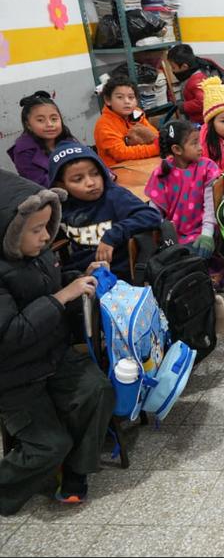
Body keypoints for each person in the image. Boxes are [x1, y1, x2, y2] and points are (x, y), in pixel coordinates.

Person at [0, 171, 114, 515]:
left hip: (52, 355)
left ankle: (76, 471)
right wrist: (62, 297)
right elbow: (10, 335)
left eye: (48, 226)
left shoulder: (39, 253)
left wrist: (80, 278)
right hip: (14, 378)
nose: (46, 236)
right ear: (8, 231)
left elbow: (52, 283)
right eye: (36, 230)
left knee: (97, 390)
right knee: (49, 446)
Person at [48, 141, 162, 281]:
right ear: (61, 185)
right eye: (78, 179)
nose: (91, 182)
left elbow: (152, 216)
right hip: (82, 272)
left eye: (95, 174)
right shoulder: (61, 207)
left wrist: (113, 234)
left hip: (118, 274)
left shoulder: (114, 196)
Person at [145, 120, 221, 258]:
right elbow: (153, 212)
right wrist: (164, 231)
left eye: (199, 142)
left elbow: (211, 207)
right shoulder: (161, 173)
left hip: (202, 233)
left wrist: (207, 234)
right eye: (194, 143)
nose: (200, 147)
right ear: (177, 150)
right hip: (173, 238)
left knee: (194, 258)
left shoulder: (207, 168)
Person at [8, 91, 77, 186]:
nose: (49, 124)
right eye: (40, 120)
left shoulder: (67, 140)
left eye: (54, 119)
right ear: (28, 125)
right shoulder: (23, 152)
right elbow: (40, 184)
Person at [93, 75, 159, 168]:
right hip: (117, 170)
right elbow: (121, 153)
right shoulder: (104, 125)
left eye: (131, 97)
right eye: (120, 97)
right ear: (108, 100)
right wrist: (157, 148)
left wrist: (159, 143)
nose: (127, 101)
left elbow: (156, 136)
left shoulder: (137, 115)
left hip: (141, 163)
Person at [167, 43, 223, 125]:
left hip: (202, 122)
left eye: (173, 67)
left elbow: (202, 102)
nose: (173, 71)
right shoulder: (197, 70)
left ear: (184, 66)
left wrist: (183, 106)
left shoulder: (196, 80)